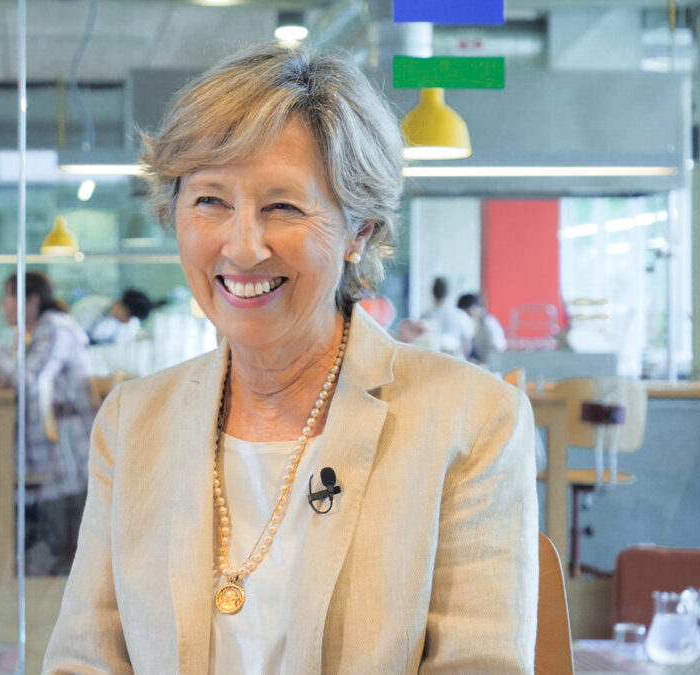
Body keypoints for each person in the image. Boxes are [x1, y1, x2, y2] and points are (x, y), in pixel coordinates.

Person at [44, 44, 536, 672]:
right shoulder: (132, 421)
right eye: (210, 201)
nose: (243, 247)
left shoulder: (473, 418)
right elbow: (84, 658)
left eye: (283, 207)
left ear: (359, 231)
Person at [0, 272, 95, 559]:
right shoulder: (44, 330)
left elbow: (28, 381)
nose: (3, 304)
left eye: (9, 296)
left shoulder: (55, 329)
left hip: (65, 448)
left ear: (32, 301)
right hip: (52, 441)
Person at [420, 276, 475, 358]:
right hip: (456, 360)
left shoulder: (425, 316)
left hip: (432, 360)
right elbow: (467, 345)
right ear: (449, 293)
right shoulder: (460, 315)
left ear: (432, 292)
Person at [88, 288, 159, 344]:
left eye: (130, 318)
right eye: (127, 314)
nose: (127, 320)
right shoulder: (91, 305)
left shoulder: (131, 325)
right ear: (120, 302)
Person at [457, 292, 507, 365]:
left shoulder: (489, 323)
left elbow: (498, 349)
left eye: (467, 312)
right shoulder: (472, 325)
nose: (464, 317)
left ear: (475, 309)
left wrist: (480, 362)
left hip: (491, 366)